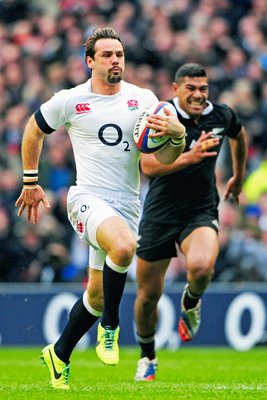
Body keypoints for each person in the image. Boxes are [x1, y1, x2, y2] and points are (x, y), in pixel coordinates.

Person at [15, 27, 186, 390]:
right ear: (90, 61)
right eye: (107, 55)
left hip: (127, 203)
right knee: (124, 247)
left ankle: (58, 354)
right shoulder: (71, 100)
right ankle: (110, 326)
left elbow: (163, 157)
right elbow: (33, 129)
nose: (115, 61)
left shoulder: (144, 100)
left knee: (95, 294)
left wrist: (177, 135)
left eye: (119, 54)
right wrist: (30, 181)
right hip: (87, 199)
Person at [134, 63, 248, 381]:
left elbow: (239, 135)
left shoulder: (221, 116)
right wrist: (190, 156)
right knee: (147, 297)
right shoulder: (161, 117)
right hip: (160, 212)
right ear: (175, 89)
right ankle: (147, 357)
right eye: (191, 88)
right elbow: (148, 167)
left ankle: (191, 300)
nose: (198, 95)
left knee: (200, 267)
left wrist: (238, 176)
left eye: (203, 89)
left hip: (200, 209)